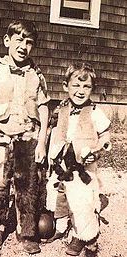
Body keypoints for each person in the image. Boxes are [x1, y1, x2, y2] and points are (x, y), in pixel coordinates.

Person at [0, 19, 50, 254]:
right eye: (18, 40)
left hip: (27, 136)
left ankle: (26, 232)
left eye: (29, 43)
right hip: (0, 137)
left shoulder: (36, 74)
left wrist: (43, 141)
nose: (23, 46)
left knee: (27, 186)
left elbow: (44, 107)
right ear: (7, 41)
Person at [46, 63, 111, 256]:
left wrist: (97, 149)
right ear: (66, 86)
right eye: (76, 85)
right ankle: (61, 226)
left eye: (86, 86)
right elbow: (53, 133)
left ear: (92, 89)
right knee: (58, 195)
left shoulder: (94, 111)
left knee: (81, 201)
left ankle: (83, 236)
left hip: (83, 168)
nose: (81, 91)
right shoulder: (61, 109)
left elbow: (105, 135)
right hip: (61, 166)